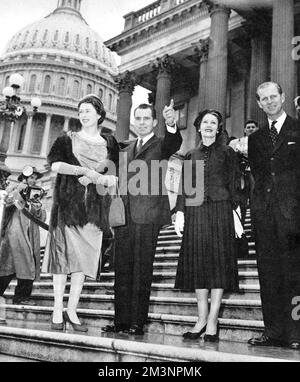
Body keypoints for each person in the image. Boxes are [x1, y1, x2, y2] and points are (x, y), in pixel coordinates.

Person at [102, 101, 182, 335]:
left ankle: (138, 321)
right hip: (125, 215)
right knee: (123, 269)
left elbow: (174, 141)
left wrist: (171, 123)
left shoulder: (161, 144)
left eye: (147, 118)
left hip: (149, 215)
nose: (142, 122)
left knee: (142, 268)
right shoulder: (125, 147)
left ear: (154, 122)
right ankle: (120, 321)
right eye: (139, 118)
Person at [42, 94, 119, 332]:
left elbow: (115, 175)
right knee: (62, 258)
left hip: (95, 208)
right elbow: (54, 164)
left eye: (87, 110)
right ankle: (57, 308)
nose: (83, 114)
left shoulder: (110, 143)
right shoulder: (67, 139)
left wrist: (99, 177)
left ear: (99, 114)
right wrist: (82, 170)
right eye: (81, 110)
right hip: (67, 206)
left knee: (83, 263)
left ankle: (72, 310)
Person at [174, 109, 240, 341]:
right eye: (205, 122)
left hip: (221, 211)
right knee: (199, 264)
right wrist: (180, 212)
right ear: (199, 127)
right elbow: (184, 186)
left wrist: (236, 212)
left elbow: (234, 184)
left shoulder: (228, 152)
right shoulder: (191, 155)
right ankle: (201, 318)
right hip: (196, 212)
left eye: (214, 122)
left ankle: (213, 320)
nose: (209, 125)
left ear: (219, 127)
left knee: (219, 264)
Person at [248, 82, 300, 350]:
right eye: (264, 99)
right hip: (264, 214)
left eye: (273, 97)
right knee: (268, 274)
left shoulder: (297, 128)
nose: (269, 102)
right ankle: (273, 331)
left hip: (292, 214)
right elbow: (259, 175)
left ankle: (295, 332)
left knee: (294, 274)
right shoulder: (255, 138)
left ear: (283, 97)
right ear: (259, 103)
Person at [0, 167, 46, 306]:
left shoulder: (36, 194)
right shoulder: (14, 189)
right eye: (31, 177)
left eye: (35, 178)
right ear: (23, 177)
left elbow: (41, 217)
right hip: (15, 231)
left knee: (26, 262)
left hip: (30, 232)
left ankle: (21, 296)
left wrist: (37, 204)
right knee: (10, 263)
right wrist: (18, 190)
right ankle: (19, 296)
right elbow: (6, 202)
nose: (33, 180)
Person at [229, 120, 259, 224]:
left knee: (255, 202)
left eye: (253, 127)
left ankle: (255, 231)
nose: (251, 129)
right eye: (248, 127)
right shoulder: (237, 142)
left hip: (255, 175)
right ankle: (239, 230)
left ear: (257, 129)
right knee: (241, 202)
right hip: (241, 175)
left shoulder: (263, 142)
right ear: (244, 130)